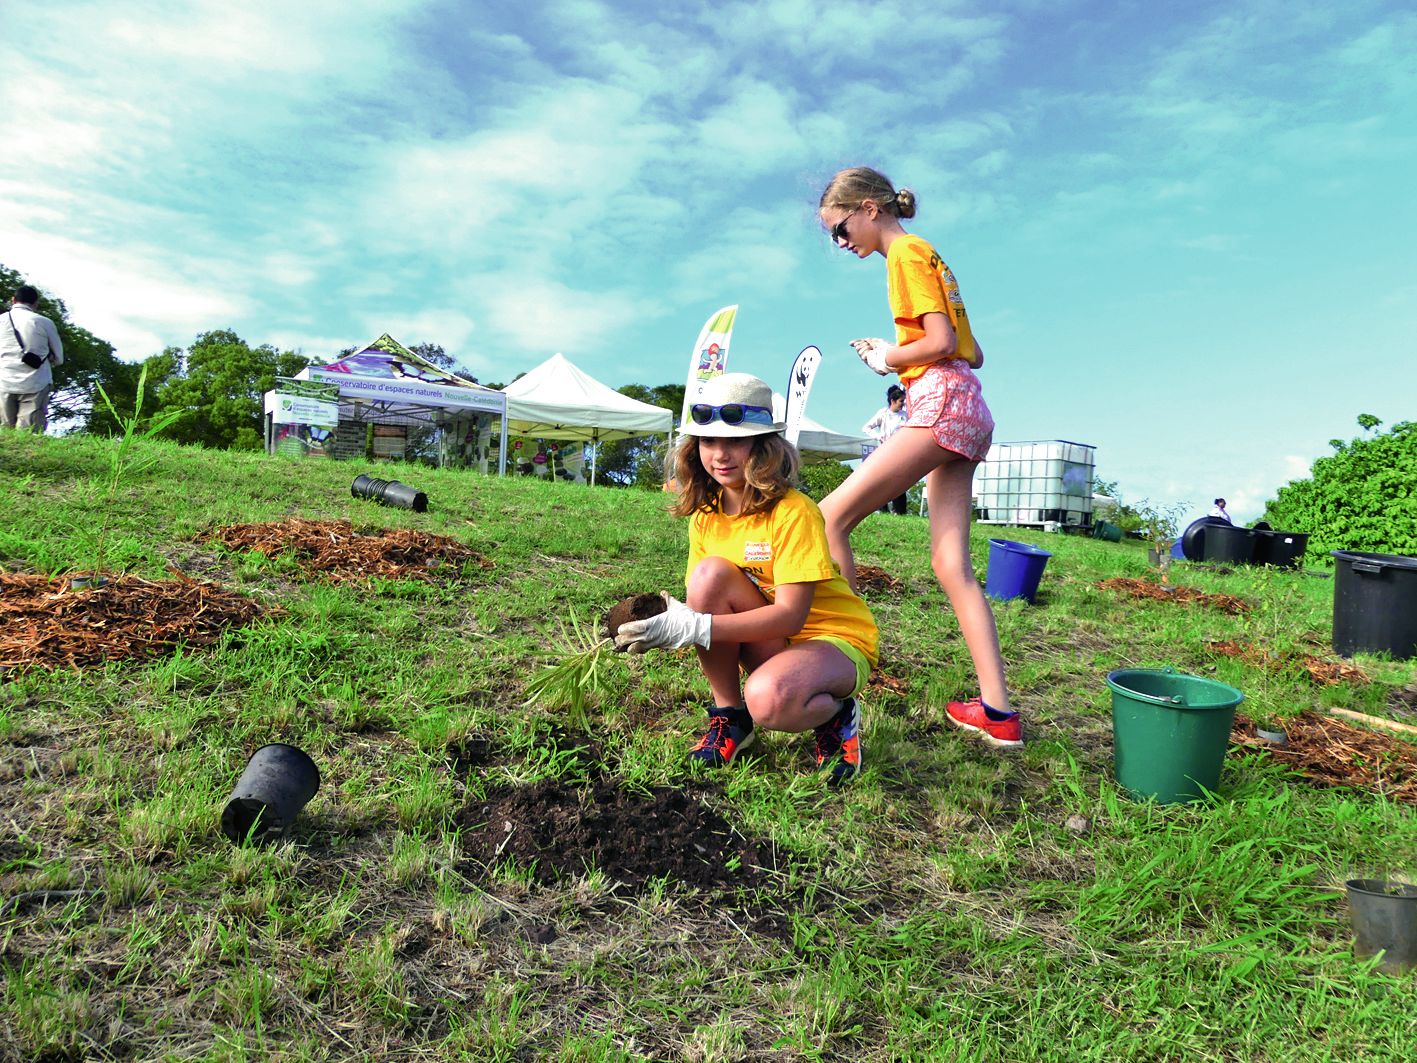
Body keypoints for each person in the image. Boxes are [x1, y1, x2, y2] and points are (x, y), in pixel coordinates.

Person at [815, 166, 1021, 748]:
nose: (841, 242)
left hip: (940, 403)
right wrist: (904, 356)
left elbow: (939, 344)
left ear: (868, 208)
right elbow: (972, 351)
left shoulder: (904, 255)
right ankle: (998, 714)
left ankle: (841, 668)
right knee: (950, 564)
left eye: (840, 228)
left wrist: (888, 356)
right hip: (969, 407)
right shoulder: (930, 257)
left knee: (829, 517)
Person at [613, 372, 879, 786]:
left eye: (734, 441)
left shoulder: (794, 512)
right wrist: (660, 625)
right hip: (772, 641)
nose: (720, 454)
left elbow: (791, 617)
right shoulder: (706, 514)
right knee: (708, 576)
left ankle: (836, 714)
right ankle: (731, 719)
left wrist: (694, 627)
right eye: (708, 440)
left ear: (762, 446)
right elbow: (704, 600)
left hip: (832, 641)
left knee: (768, 700)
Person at [0, 285, 64, 433]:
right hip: (36, 383)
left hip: (3, 382)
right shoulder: (44, 322)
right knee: (28, 435)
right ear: (36, 303)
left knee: (4, 434)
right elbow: (59, 359)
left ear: (13, 300)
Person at [862, 383, 910, 514]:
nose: (902, 404)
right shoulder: (883, 413)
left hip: (900, 451)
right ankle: (883, 509)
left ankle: (899, 511)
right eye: (901, 401)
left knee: (899, 481)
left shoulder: (905, 415)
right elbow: (866, 427)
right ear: (893, 401)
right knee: (883, 480)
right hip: (884, 451)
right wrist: (878, 436)